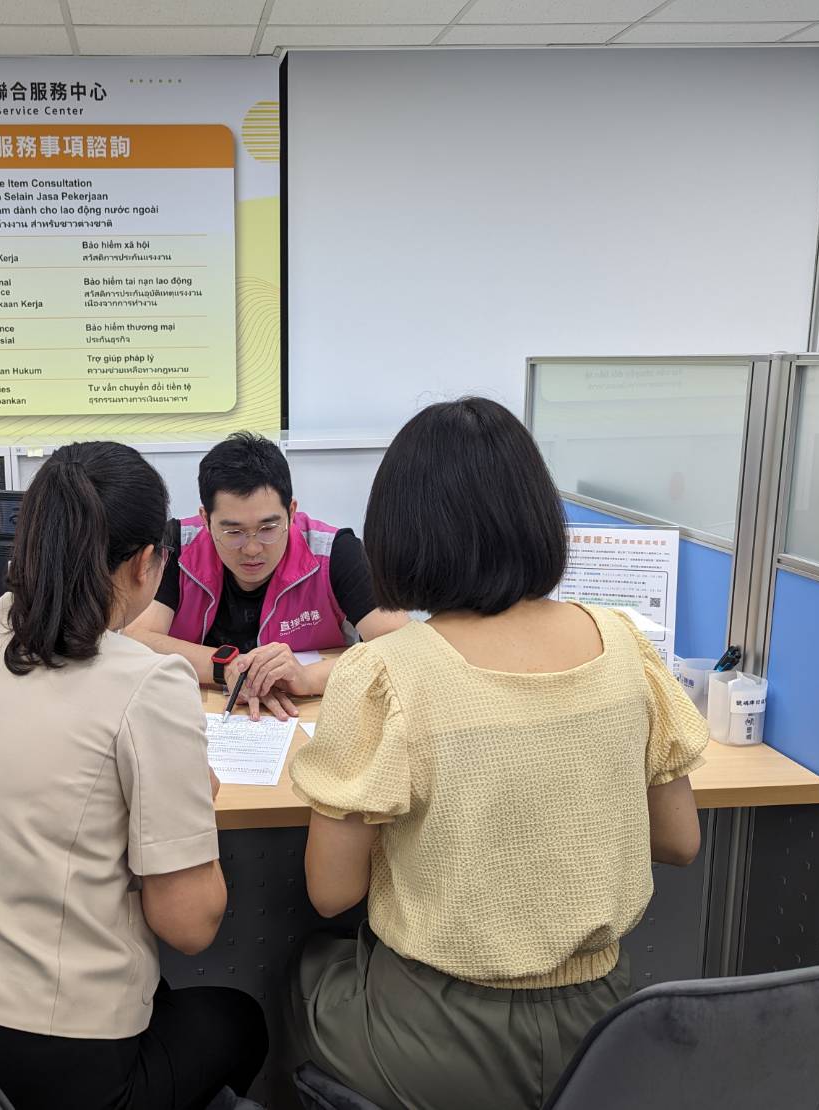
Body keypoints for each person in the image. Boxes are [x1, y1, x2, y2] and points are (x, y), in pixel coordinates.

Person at [285, 398, 708, 1110]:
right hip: (605, 1032)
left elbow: (333, 891)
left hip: (436, 1034)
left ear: (400, 532)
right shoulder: (624, 644)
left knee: (306, 973)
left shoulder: (386, 671)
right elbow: (679, 841)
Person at [0, 441, 267, 1110]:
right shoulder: (147, 685)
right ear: (144, 563)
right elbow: (189, 925)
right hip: (54, 1060)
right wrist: (188, 804)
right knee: (240, 1021)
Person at [127, 432, 405, 720]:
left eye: (268, 528)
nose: (252, 549)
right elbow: (136, 639)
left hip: (307, 716)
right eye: (233, 531)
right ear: (206, 520)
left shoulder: (335, 552)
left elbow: (404, 646)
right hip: (203, 718)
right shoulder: (176, 546)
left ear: (291, 512)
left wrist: (307, 678)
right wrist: (226, 667)